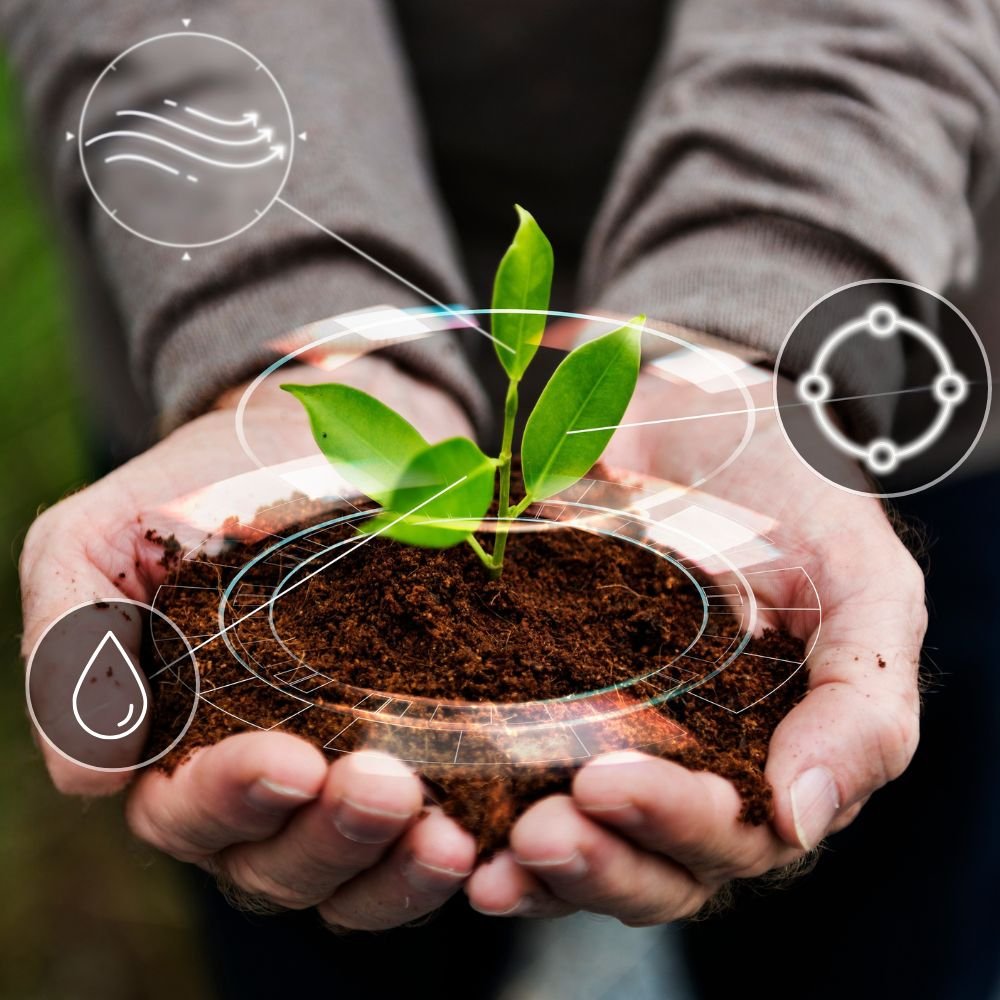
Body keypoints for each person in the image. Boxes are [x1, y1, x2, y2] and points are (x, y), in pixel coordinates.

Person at [4, 1, 997, 995]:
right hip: (223, 315)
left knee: (876, 914)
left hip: (843, 341)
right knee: (325, 904)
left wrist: (765, 293)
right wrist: (277, 300)